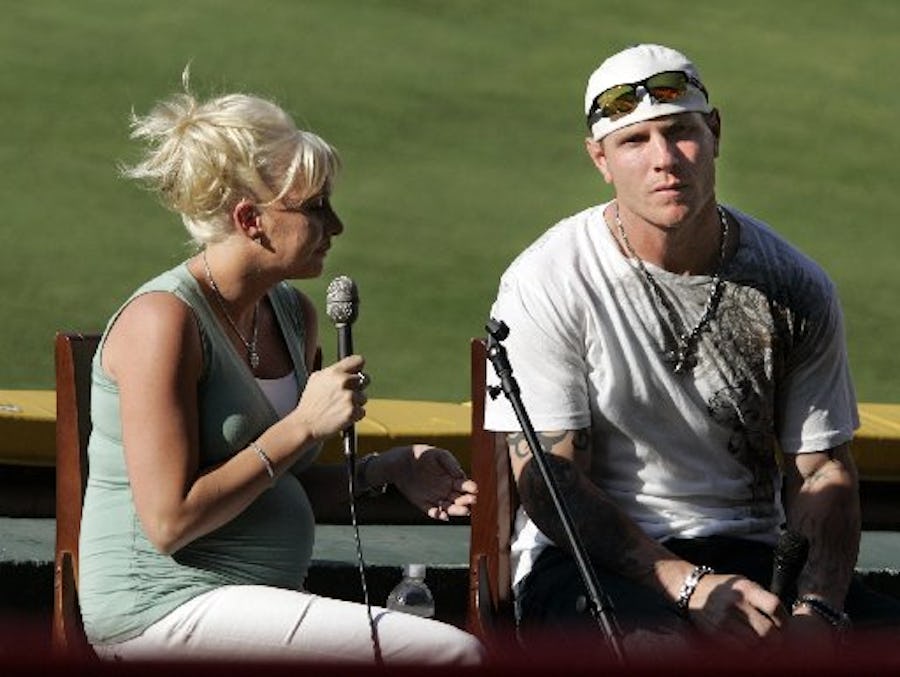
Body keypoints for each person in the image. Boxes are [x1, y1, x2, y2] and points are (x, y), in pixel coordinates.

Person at [484, 43, 899, 661]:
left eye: (681, 132)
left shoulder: (795, 285)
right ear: (600, 159)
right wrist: (686, 585)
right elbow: (550, 479)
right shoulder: (548, 280)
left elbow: (823, 471)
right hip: (588, 563)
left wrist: (817, 612)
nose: (665, 159)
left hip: (753, 552)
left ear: (715, 133)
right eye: (635, 140)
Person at [78, 73, 483, 666]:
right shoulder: (163, 321)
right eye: (315, 208)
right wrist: (302, 425)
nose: (336, 226)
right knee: (452, 654)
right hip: (159, 608)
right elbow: (169, 522)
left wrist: (388, 468)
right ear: (251, 220)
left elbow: (277, 483)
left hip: (251, 602)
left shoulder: (292, 314)